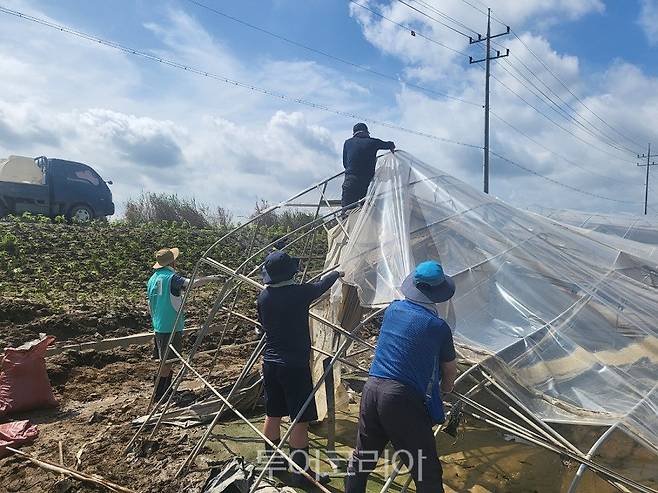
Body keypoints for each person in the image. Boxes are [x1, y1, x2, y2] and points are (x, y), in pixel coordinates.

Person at [345, 260, 458, 493]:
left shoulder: (393, 309)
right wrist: (446, 389)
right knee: (426, 470)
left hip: (372, 389)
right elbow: (449, 369)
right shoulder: (438, 327)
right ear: (437, 293)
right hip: (401, 399)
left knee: (362, 459)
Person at [257, 250, 342, 487]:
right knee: (300, 420)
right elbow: (320, 285)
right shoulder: (297, 293)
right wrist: (337, 272)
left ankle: (275, 466)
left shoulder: (263, 296)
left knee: (273, 414)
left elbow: (263, 325)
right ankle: (302, 474)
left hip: (271, 363)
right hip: (294, 366)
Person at [147, 247, 221, 402]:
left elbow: (150, 302)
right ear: (172, 262)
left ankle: (166, 389)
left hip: (159, 324)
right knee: (167, 361)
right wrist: (213, 278)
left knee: (167, 360)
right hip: (170, 325)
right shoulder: (171, 278)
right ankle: (160, 393)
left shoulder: (153, 279)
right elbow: (191, 283)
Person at [342, 122, 395, 208]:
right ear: (366, 132)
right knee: (364, 209)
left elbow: (345, 163)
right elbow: (388, 144)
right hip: (366, 182)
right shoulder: (372, 142)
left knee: (347, 211)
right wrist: (391, 146)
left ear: (354, 133)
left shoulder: (347, 143)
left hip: (350, 180)